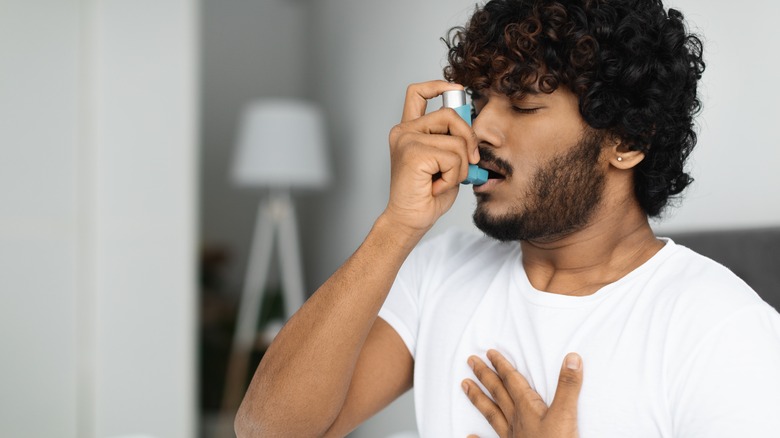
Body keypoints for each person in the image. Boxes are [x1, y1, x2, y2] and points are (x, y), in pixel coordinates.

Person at [235, 0, 780, 436]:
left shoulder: (721, 330)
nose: (480, 132)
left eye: (522, 106)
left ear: (628, 140)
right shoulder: (440, 270)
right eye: (480, 101)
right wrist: (398, 225)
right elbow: (268, 430)